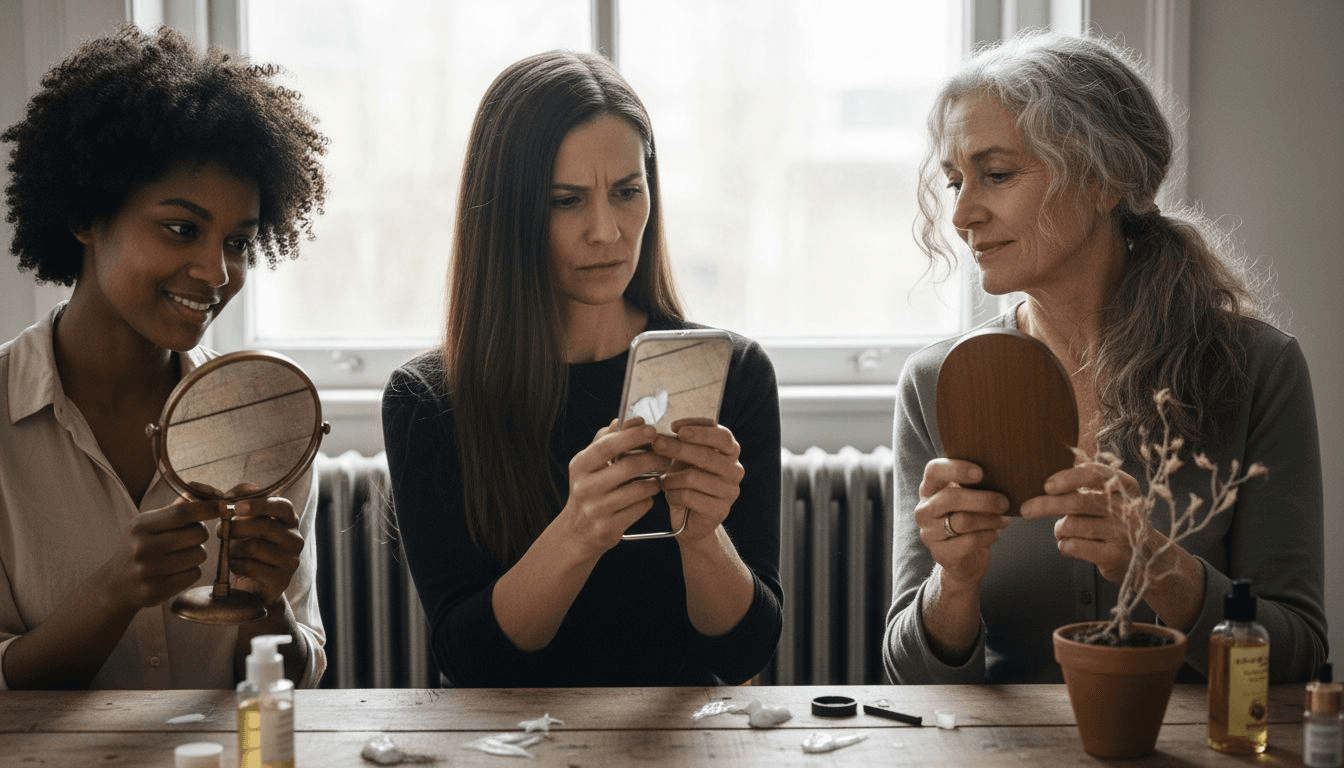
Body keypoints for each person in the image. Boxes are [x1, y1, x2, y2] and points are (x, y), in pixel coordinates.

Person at [883, 32, 1326, 685]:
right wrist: (953, 584)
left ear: (1104, 179)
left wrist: (1161, 568)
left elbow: (1296, 658)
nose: (963, 215)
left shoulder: (1257, 369)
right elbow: (904, 678)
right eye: (954, 182)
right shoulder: (935, 383)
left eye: (997, 174)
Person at [382, 50, 782, 687]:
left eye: (627, 192)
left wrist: (703, 536)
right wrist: (578, 532)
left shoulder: (735, 372)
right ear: (508, 216)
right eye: (566, 201)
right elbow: (469, 663)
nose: (607, 231)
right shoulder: (429, 399)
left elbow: (744, 656)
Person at [0, 25, 329, 689]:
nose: (215, 272)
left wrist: (265, 602)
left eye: (238, 242)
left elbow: (298, 677)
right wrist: (115, 591)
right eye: (181, 229)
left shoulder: (267, 420)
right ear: (88, 215)